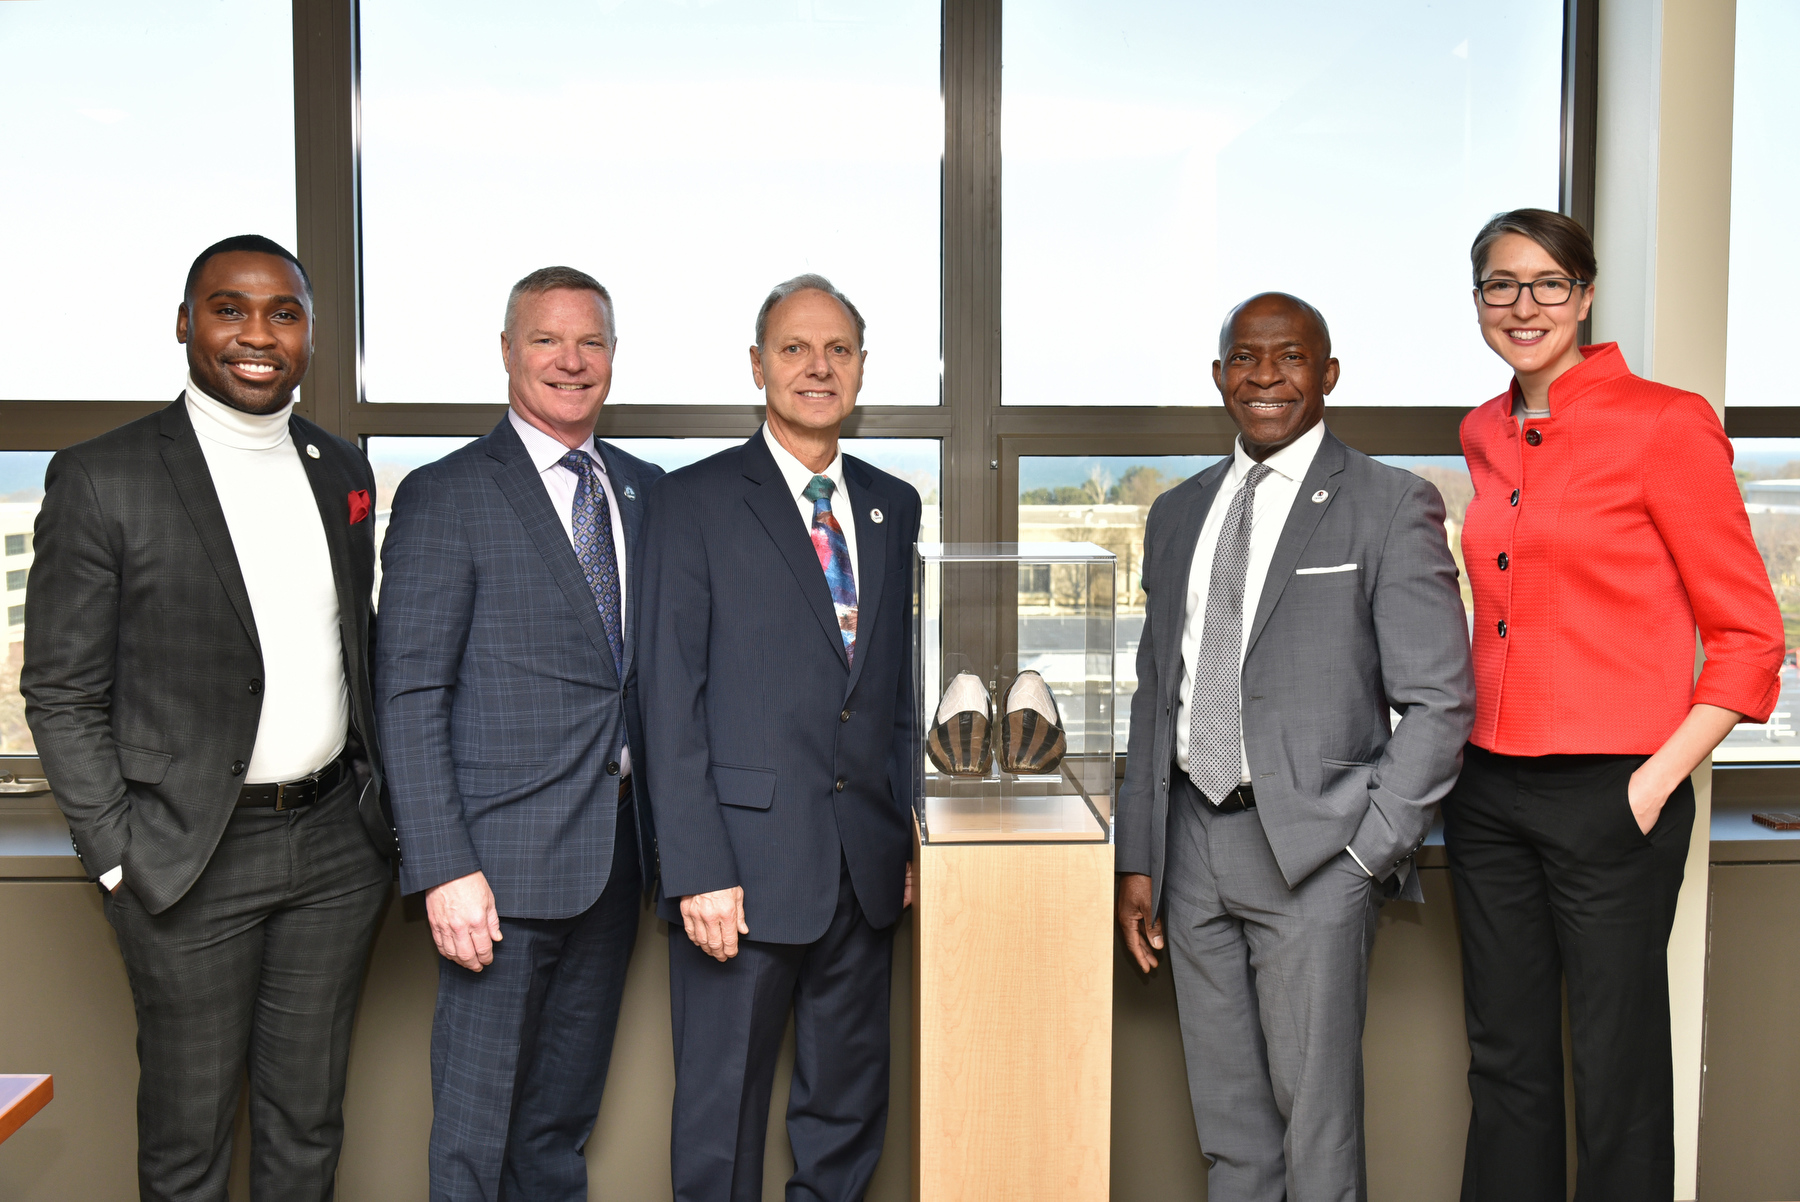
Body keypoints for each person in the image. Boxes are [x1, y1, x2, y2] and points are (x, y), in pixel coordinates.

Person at [22, 234, 394, 1202]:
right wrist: (117, 855)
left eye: (284, 312)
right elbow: (61, 689)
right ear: (186, 324)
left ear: (310, 332)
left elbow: (354, 642)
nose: (257, 334)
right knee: (188, 1141)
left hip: (333, 853)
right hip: (185, 859)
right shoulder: (105, 476)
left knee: (307, 1123)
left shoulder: (337, 465)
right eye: (230, 308)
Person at [1448, 209, 1783, 1200]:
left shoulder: (1665, 421)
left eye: (1548, 282)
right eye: (1501, 284)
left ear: (1586, 296)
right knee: (1505, 1063)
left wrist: (1651, 781)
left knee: (1617, 1068)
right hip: (1488, 790)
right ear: (1478, 303)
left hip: (1616, 792)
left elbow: (1751, 635)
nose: (1525, 304)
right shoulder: (1483, 430)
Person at [1114, 293, 1475, 1201]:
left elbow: (1438, 701)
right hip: (1191, 849)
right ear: (1219, 376)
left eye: (1290, 358)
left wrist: (1366, 853)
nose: (1265, 376)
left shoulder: (1391, 504)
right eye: (1245, 358)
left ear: (1329, 375)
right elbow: (1156, 696)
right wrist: (1140, 857)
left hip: (1317, 856)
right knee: (1230, 1128)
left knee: (1317, 1131)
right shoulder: (1177, 513)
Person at [374, 266, 661, 1201]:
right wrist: (444, 869)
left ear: (613, 358)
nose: (570, 361)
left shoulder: (647, 493)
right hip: (492, 874)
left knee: (557, 1131)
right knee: (473, 1136)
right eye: (547, 339)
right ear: (507, 352)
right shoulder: (446, 494)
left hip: (618, 863)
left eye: (592, 342)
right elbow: (410, 695)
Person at [639, 274, 920, 1202]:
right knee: (722, 1116)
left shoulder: (891, 503)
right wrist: (696, 868)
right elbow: (668, 700)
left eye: (838, 350)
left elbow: (892, 688)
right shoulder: (694, 502)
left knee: (846, 1111)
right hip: (739, 872)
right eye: (796, 349)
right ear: (757, 365)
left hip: (862, 868)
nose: (817, 367)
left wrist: (904, 830)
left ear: (862, 371)